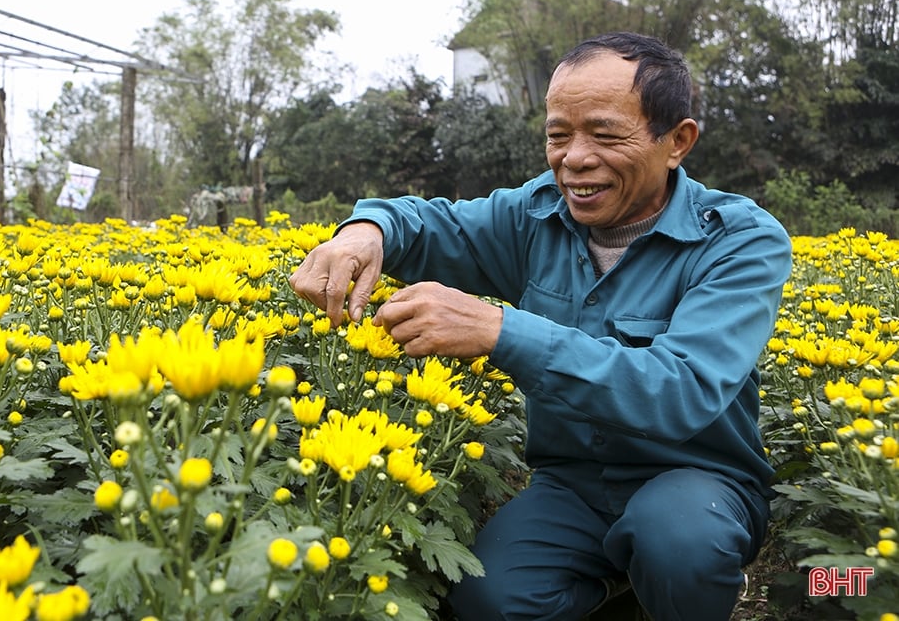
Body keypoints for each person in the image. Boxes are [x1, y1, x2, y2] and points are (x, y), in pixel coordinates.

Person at [287, 31, 792, 621]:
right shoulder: (536, 213)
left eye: (604, 134)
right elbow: (428, 223)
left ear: (676, 141)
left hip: (698, 483)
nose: (574, 158)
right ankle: (618, 588)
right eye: (558, 135)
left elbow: (678, 390)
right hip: (574, 486)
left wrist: (499, 330)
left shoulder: (739, 240)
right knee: (489, 598)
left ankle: (674, 589)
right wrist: (364, 233)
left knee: (677, 543)